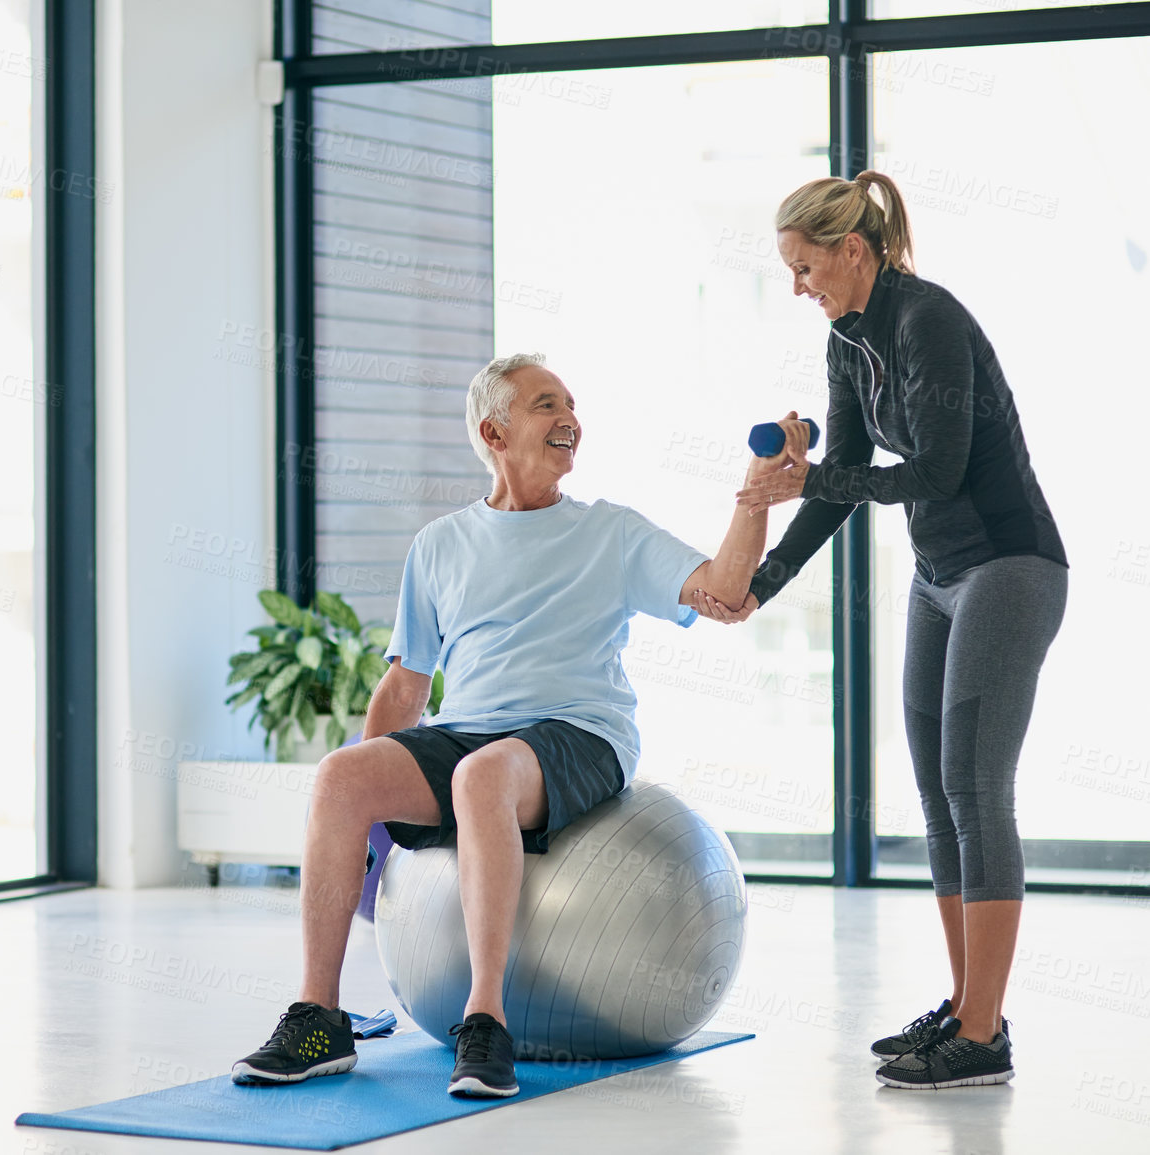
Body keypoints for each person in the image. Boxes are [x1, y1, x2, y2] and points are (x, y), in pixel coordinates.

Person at [231, 352, 802, 1097]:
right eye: (544, 404)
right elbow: (406, 685)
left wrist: (755, 496)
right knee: (342, 773)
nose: (569, 417)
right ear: (494, 432)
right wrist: (368, 824)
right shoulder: (439, 543)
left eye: (569, 402)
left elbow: (725, 588)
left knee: (483, 774)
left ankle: (485, 1020)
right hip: (468, 731)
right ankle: (318, 1018)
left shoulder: (611, 532)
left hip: (577, 732)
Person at [693, 171, 1068, 1091]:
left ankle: (981, 1033)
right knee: (937, 797)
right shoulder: (846, 339)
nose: (796, 286)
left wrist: (805, 481)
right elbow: (850, 475)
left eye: (804, 265)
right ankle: (966, 1007)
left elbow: (935, 474)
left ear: (852, 250)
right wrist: (766, 581)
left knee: (974, 784)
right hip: (939, 576)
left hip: (1008, 566)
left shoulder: (923, 318)